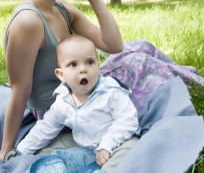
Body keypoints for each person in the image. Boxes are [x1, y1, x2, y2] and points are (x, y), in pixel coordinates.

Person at [0, 0, 124, 161]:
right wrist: (5, 150)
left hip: (82, 92)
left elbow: (114, 45)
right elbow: (20, 90)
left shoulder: (62, 9)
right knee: (137, 64)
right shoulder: (28, 22)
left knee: (137, 51)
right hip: (62, 112)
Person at [16, 35, 138, 169]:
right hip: (82, 142)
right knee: (49, 148)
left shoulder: (110, 92)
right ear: (61, 75)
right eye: (73, 64)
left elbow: (128, 120)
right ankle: (44, 166)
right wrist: (21, 150)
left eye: (90, 62)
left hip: (115, 141)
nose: (83, 69)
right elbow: (45, 128)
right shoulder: (63, 101)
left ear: (98, 65)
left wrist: (106, 146)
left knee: (131, 149)